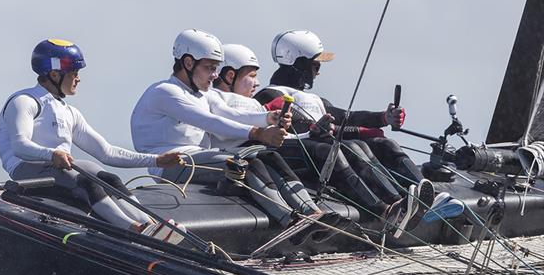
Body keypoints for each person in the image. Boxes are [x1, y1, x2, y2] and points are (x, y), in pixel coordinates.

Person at [131, 29, 333, 243]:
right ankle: (289, 220)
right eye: (209, 68)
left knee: (268, 156)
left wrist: (268, 118)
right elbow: (209, 121)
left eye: (216, 68)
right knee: (244, 162)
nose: (215, 75)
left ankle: (311, 212)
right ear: (188, 63)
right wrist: (258, 133)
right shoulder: (165, 92)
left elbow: (232, 115)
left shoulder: (203, 94)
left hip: (200, 157)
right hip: (171, 164)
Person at [0, 38, 185, 243]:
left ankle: (151, 225)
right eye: (74, 74)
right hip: (26, 168)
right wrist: (52, 154)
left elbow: (107, 152)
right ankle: (134, 229)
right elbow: (19, 146)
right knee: (86, 181)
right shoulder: (24, 101)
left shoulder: (69, 112)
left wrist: (157, 160)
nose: (78, 79)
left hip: (58, 166)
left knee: (110, 179)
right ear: (54, 74)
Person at [254, 30, 434, 236]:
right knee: (345, 148)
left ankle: (420, 198)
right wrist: (313, 131)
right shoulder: (270, 95)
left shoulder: (314, 99)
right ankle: (386, 210)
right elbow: (277, 129)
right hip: (298, 155)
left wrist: (384, 117)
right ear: (299, 64)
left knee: (384, 144)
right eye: (316, 65)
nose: (318, 72)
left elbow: (347, 117)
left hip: (320, 148)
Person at [209, 43, 334, 221]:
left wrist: (310, 134)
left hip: (254, 153)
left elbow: (274, 135)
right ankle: (288, 218)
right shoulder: (214, 97)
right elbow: (225, 124)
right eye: (252, 76)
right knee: (256, 161)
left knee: (272, 157)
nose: (257, 82)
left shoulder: (253, 103)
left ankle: (311, 212)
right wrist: (265, 123)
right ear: (230, 76)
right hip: (229, 158)